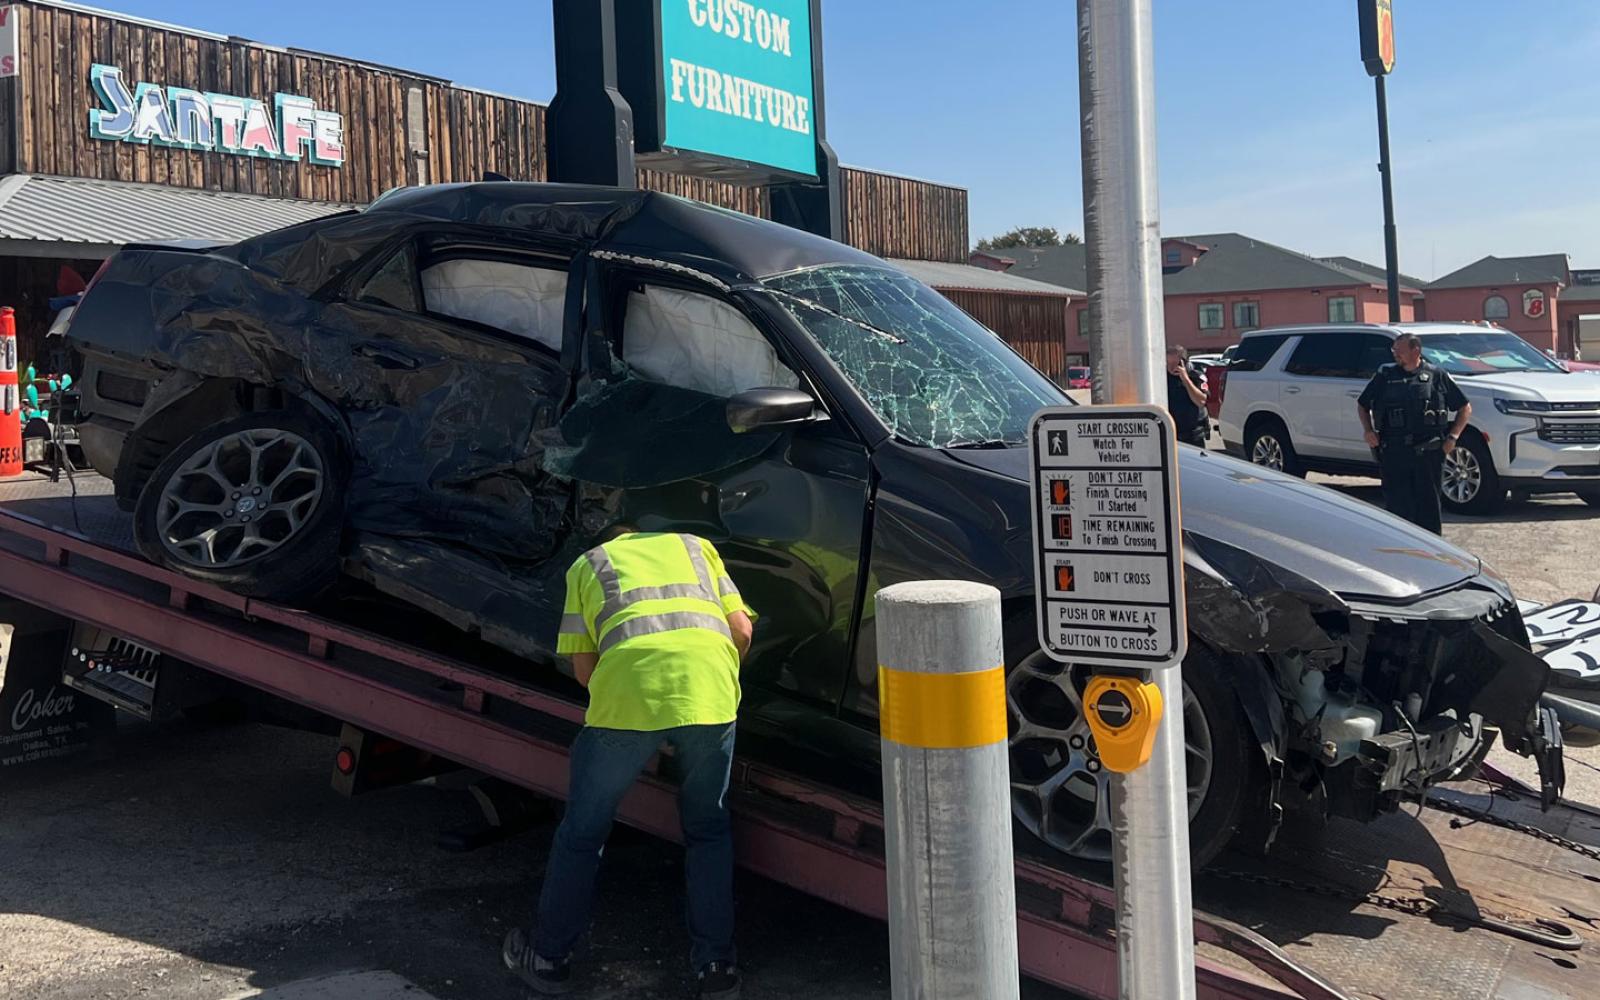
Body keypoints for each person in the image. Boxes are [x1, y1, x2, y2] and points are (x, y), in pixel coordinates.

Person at [503, 529, 754, 999]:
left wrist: (636, 707)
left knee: (583, 832)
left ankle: (549, 959)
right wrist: (697, 693)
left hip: (628, 698)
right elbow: (742, 630)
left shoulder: (589, 564)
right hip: (710, 692)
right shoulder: (698, 547)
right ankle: (716, 970)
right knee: (707, 830)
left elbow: (584, 670)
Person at [1356, 334, 1471, 534]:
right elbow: (1362, 404)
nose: (1395, 355)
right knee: (1397, 508)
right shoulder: (1385, 375)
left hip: (1428, 453)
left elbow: (1464, 407)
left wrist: (1453, 437)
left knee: (1428, 508)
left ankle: (1431, 553)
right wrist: (1368, 431)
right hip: (1394, 451)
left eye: (1399, 351)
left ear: (1415, 350)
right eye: (1393, 351)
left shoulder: (1436, 375)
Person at [1166, 345, 1211, 447]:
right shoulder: (1163, 378)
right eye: (1168, 363)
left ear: (1183, 362)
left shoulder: (1196, 377)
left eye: (1174, 363)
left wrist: (1186, 380)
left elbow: (1201, 401)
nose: (1171, 367)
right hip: (1172, 434)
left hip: (1193, 435)